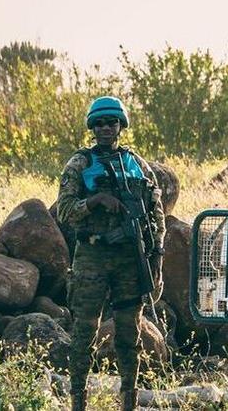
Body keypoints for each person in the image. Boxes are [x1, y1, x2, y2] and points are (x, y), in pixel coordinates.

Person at [57, 96, 166, 411]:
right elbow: (64, 211)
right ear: (93, 127)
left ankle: (128, 401)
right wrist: (95, 201)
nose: (106, 128)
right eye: (100, 123)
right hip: (92, 257)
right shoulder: (80, 163)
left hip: (130, 260)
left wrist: (157, 254)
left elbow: (156, 213)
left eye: (112, 122)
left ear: (121, 125)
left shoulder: (136, 164)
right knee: (84, 333)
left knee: (129, 334)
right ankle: (78, 401)